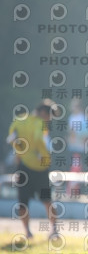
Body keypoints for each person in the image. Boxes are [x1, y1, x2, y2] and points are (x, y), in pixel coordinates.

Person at [6, 99, 60, 239]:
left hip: (23, 168)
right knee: (47, 200)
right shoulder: (40, 124)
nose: (49, 120)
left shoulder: (20, 120)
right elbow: (39, 140)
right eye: (49, 116)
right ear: (43, 113)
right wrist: (44, 156)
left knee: (23, 202)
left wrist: (20, 152)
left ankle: (28, 232)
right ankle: (54, 230)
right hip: (41, 169)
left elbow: (11, 138)